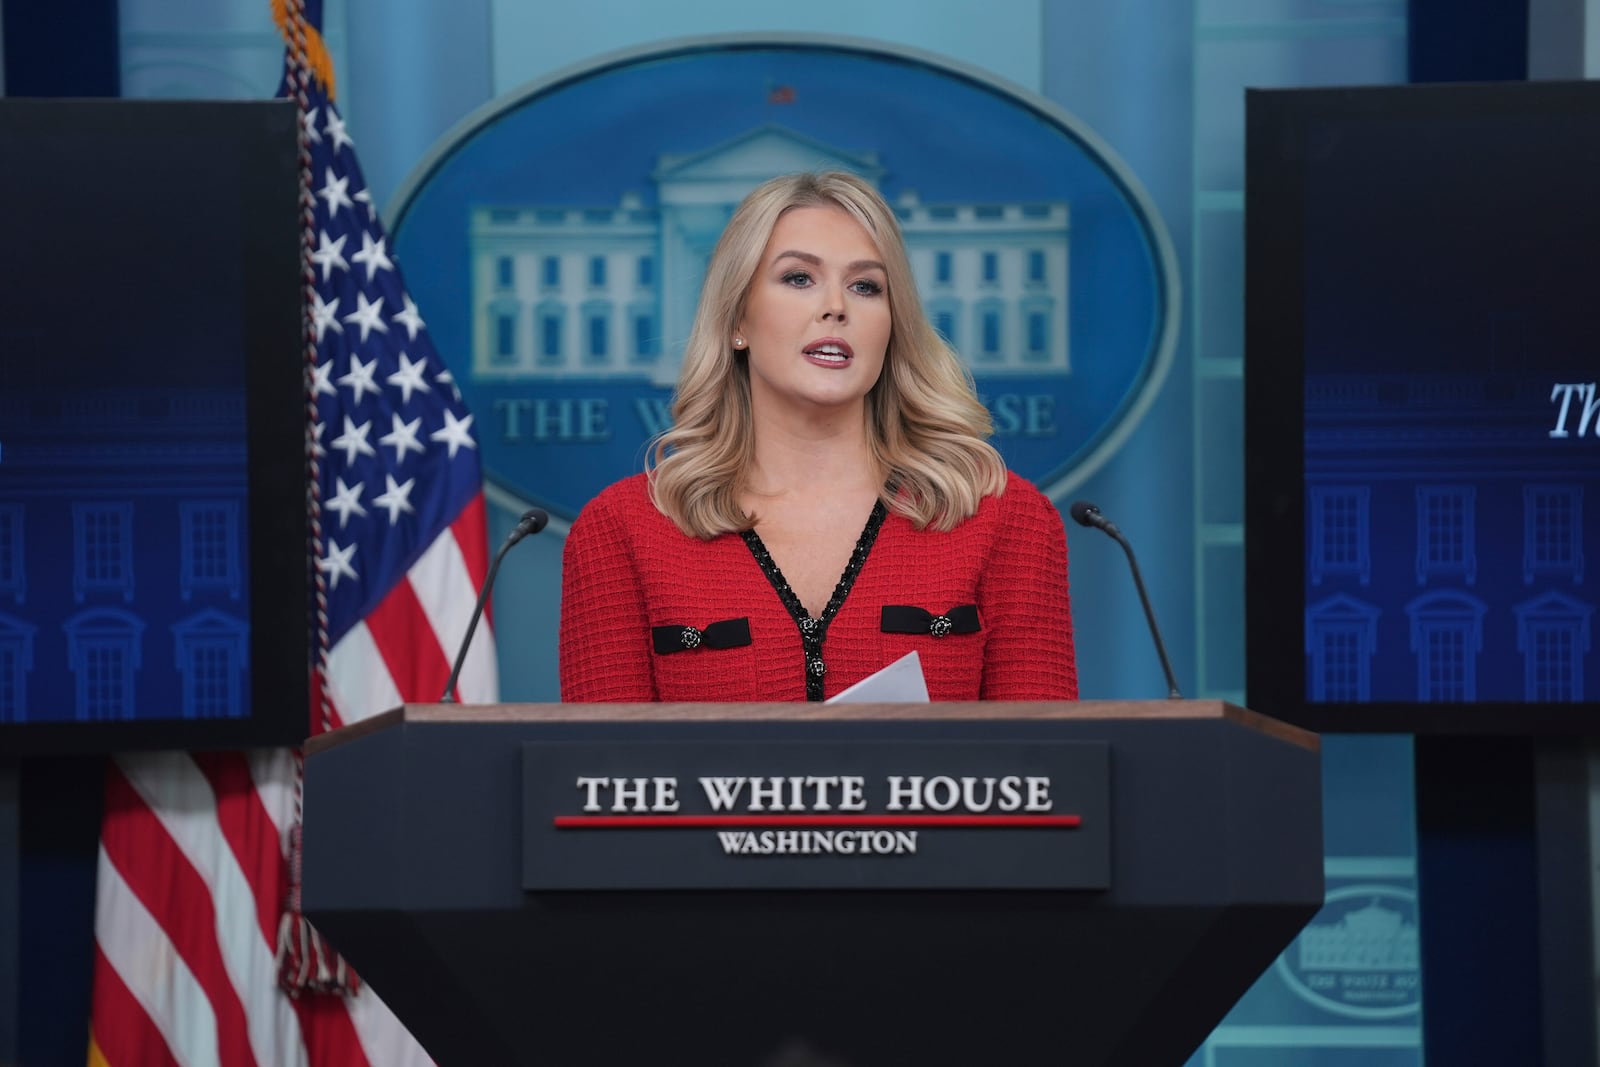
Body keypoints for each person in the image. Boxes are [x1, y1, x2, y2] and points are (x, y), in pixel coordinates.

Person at [559, 171, 1077, 702]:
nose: (837, 306)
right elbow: (601, 777)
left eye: (866, 286)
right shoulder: (622, 529)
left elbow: (1044, 774)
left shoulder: (1006, 518)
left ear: (892, 326)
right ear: (737, 318)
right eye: (799, 278)